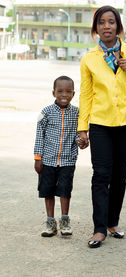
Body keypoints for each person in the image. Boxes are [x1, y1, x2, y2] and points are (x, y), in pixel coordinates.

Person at [78, 5, 126, 248]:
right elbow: (86, 94)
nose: (106, 26)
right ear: (96, 28)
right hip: (100, 123)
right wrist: (83, 128)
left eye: (111, 22)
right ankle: (99, 229)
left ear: (118, 26)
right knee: (101, 175)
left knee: (119, 176)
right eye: (101, 22)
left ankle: (113, 222)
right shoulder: (89, 59)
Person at [34, 75, 78, 237]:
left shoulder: (76, 113)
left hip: (67, 161)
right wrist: (38, 158)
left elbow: (76, 135)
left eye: (68, 91)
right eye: (60, 91)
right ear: (53, 93)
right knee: (48, 192)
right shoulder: (46, 113)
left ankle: (65, 222)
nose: (64, 95)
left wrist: (80, 141)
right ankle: (50, 223)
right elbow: (40, 136)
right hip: (48, 161)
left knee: (65, 191)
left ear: (73, 94)